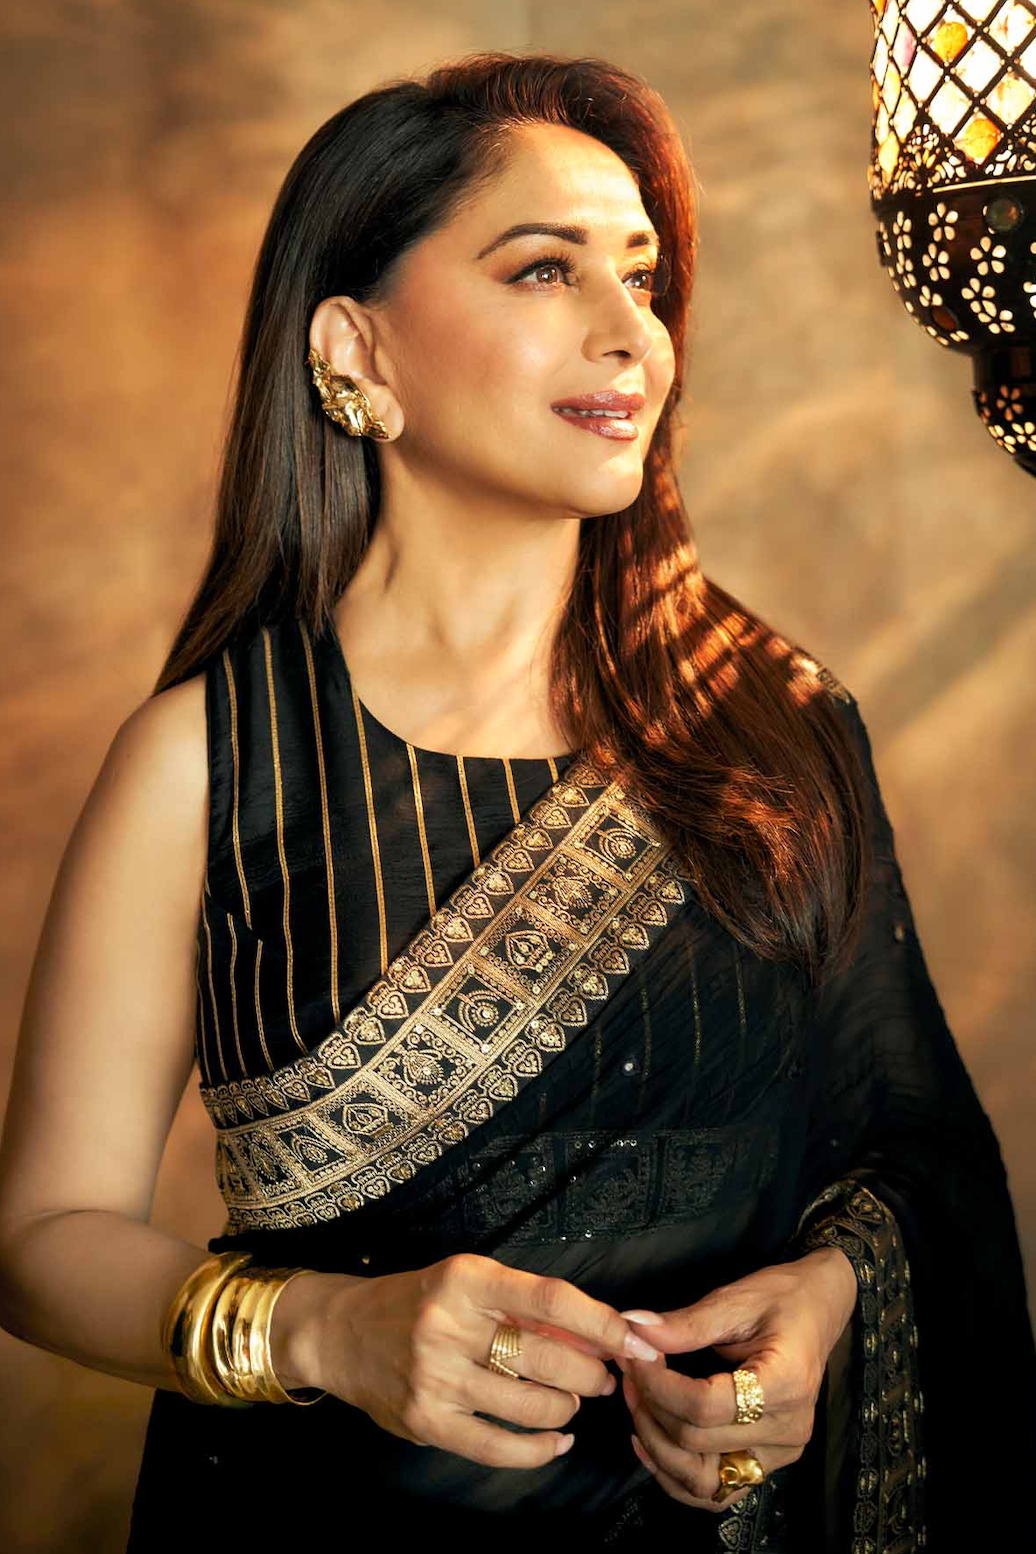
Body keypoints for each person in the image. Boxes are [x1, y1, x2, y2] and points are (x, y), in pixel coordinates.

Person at [0, 48, 1033, 1553]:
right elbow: (42, 1236)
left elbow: (916, 1157)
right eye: (547, 270)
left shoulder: (775, 728)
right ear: (354, 351)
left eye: (644, 278)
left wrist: (821, 1310)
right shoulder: (205, 759)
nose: (634, 335)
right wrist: (323, 1331)